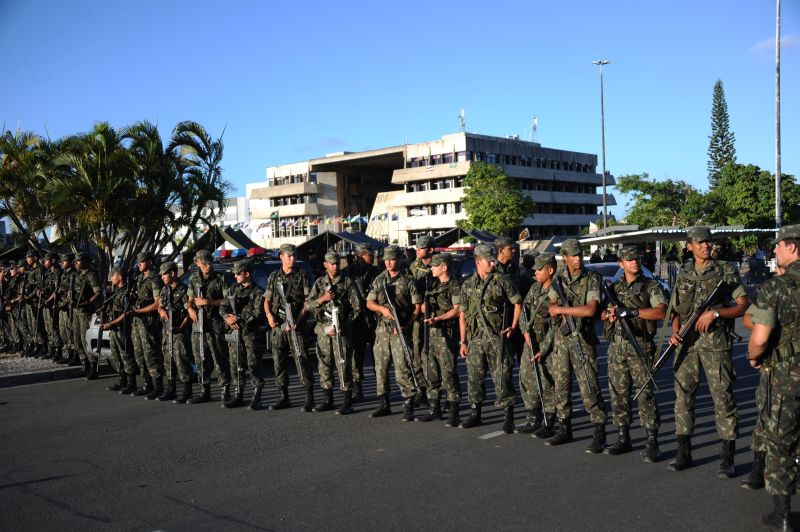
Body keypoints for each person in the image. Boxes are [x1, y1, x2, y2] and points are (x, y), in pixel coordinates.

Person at [667, 226, 748, 476]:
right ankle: (684, 453)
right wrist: (675, 331)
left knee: (722, 398)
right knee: (683, 399)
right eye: (700, 242)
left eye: (708, 242)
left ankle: (728, 458)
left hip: (715, 344)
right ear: (689, 245)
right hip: (688, 345)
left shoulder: (724, 270)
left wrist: (716, 313)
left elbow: (744, 305)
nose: (706, 246)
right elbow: (676, 310)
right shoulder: (684, 272)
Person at [746, 224, 800, 529]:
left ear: (792, 247)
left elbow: (761, 337)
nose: (774, 251)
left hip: (786, 375)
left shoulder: (774, 287)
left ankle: (782, 514)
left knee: (781, 441)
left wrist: (753, 356)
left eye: (778, 246)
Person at [600, 246, 666, 460]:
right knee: (618, 394)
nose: (634, 262)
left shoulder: (650, 285)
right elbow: (602, 312)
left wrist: (633, 311)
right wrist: (608, 315)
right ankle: (623, 437)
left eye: (636, 259)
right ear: (621, 263)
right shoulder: (615, 288)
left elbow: (661, 312)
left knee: (645, 394)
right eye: (629, 260)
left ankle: (652, 441)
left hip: (640, 346)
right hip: (617, 346)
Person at [546, 238, 608, 452]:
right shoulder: (559, 278)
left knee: (589, 386)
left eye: (580, 254)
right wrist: (559, 309)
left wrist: (563, 311)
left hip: (583, 339)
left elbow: (590, 310)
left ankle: (599, 431)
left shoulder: (592, 278)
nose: (578, 258)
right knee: (561, 385)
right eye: (573, 255)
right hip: (562, 341)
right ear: (565, 257)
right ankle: (564, 427)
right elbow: (551, 305)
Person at [458, 244, 521, 434]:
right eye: (489, 261)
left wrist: (513, 326)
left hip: (497, 338)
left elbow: (517, 303)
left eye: (493, 260)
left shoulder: (502, 280)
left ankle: (508, 416)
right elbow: (463, 314)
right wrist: (463, 341)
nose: (492, 263)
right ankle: (475, 413)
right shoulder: (468, 284)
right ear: (478, 262)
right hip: (476, 339)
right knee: (474, 378)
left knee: (502, 377)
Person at [739, 264, 786, 490]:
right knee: (766, 416)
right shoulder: (770, 289)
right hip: (776, 362)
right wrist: (768, 322)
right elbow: (748, 319)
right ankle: (758, 468)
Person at [366, 245, 421, 421]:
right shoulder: (380, 279)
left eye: (392, 259)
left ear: (400, 260)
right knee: (380, 367)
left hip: (401, 329)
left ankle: (408, 404)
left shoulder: (408, 281)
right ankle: (384, 403)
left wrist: (407, 324)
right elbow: (369, 303)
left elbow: (417, 306)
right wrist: (382, 309)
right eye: (386, 260)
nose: (389, 263)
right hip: (383, 329)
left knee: (402, 368)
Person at [306, 252, 362, 415]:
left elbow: (357, 308)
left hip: (341, 331)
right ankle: (327, 399)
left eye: (337, 263)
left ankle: (347, 401)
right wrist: (322, 299)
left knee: (343, 364)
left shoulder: (347, 282)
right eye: (332, 263)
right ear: (325, 265)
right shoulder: (319, 283)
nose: (335, 266)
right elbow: (308, 305)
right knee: (324, 365)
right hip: (323, 330)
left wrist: (344, 324)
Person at [264, 243, 314, 412]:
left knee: (302, 359)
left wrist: (298, 321)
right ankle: (283, 396)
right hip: (278, 325)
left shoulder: (301, 275)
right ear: (281, 257)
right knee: (279, 361)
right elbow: (267, 300)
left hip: (296, 325)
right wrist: (269, 316)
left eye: (294, 256)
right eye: (289, 256)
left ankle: (309, 396)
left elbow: (308, 301)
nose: (292, 259)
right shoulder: (273, 276)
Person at [417, 252, 462, 426]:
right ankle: (434, 408)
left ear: (444, 267)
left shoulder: (455, 285)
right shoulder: (433, 285)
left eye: (435, 266)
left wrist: (439, 318)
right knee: (431, 371)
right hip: (431, 334)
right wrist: (424, 308)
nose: (432, 269)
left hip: (446, 335)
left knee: (448, 373)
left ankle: (454, 411)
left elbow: (457, 310)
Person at [517, 253, 557, 437]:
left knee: (547, 381)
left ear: (550, 270)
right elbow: (524, 312)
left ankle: (549, 420)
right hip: (530, 341)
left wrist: (544, 348)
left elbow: (556, 325)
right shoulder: (535, 288)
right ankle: (533, 417)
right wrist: (526, 334)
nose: (536, 272)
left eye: (539, 269)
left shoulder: (557, 291)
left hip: (547, 344)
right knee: (526, 377)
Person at [220, 259, 266, 409]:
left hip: (250, 334)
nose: (236, 276)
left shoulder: (258, 291)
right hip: (235, 333)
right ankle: (238, 394)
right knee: (235, 364)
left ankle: (257, 396)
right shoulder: (233, 289)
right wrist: (228, 318)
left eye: (238, 274)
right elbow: (223, 307)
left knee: (253, 364)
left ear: (247, 274)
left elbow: (258, 313)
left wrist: (239, 318)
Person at [187, 249, 232, 404]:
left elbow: (228, 300)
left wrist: (209, 302)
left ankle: (225, 390)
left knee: (219, 357)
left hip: (215, 323)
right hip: (199, 325)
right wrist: (190, 308)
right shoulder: (194, 278)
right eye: (204, 263)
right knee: (200, 357)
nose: (208, 266)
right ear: (197, 263)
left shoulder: (221, 278)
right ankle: (204, 390)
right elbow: (190, 298)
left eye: (210, 262)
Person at [342, 244, 382, 401]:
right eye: (369, 254)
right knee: (356, 357)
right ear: (360, 255)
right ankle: (358, 388)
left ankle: (381, 388)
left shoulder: (376, 272)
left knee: (377, 356)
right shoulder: (347, 273)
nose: (372, 256)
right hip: (356, 321)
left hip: (374, 319)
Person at [128, 252, 164, 399]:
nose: (139, 264)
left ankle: (157, 386)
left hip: (149, 322)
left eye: (142, 261)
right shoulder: (138, 279)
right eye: (138, 262)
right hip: (137, 322)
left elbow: (158, 304)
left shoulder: (154, 279)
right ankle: (146, 384)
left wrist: (138, 310)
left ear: (149, 262)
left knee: (151, 354)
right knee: (139, 354)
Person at [157, 262, 193, 403]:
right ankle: (171, 389)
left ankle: (187, 391)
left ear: (172, 273)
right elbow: (160, 306)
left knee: (181, 359)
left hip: (180, 330)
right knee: (168, 359)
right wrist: (161, 310)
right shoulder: (165, 290)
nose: (162, 277)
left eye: (164, 274)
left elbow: (189, 313)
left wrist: (181, 327)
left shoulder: (184, 290)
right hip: (167, 329)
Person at [408, 235, 435, 408]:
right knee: (417, 352)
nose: (417, 250)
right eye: (417, 247)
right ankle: (422, 390)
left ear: (431, 249)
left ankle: (438, 393)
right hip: (419, 315)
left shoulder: (439, 264)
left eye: (421, 247)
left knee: (435, 355)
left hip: (436, 314)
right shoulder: (413, 266)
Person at [100, 267, 137, 393]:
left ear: (120, 277)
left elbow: (126, 313)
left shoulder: (127, 292)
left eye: (113, 276)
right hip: (114, 328)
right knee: (116, 355)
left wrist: (111, 323)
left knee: (126, 355)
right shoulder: (115, 291)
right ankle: (122, 380)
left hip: (123, 328)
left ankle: (131, 383)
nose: (111, 279)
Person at [73, 252, 102, 379]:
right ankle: (84, 364)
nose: (76, 263)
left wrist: (87, 302)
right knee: (77, 339)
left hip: (87, 312)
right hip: (77, 311)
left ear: (85, 261)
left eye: (78, 261)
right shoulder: (78, 275)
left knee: (87, 340)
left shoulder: (91, 274)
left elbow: (98, 292)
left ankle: (93, 367)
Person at [54, 253, 79, 366]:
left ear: (70, 262)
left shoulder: (74, 274)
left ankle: (75, 356)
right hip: (62, 308)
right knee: (64, 332)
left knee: (71, 332)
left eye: (64, 261)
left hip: (68, 307)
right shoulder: (64, 274)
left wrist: (62, 304)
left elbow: (71, 293)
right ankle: (69, 353)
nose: (62, 263)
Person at [22, 250, 46, 358]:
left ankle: (43, 347)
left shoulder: (39, 270)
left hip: (36, 301)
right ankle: (36, 345)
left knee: (38, 325)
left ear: (35, 258)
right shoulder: (31, 270)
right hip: (30, 301)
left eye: (29, 257)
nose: (27, 259)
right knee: (33, 325)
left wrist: (29, 296)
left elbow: (39, 286)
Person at [40, 252, 62, 360]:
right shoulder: (48, 273)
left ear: (53, 261)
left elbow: (56, 291)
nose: (44, 262)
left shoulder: (57, 272)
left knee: (54, 327)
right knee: (48, 327)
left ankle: (58, 350)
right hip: (46, 304)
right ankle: (52, 349)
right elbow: (46, 287)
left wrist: (47, 301)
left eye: (46, 260)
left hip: (53, 304)